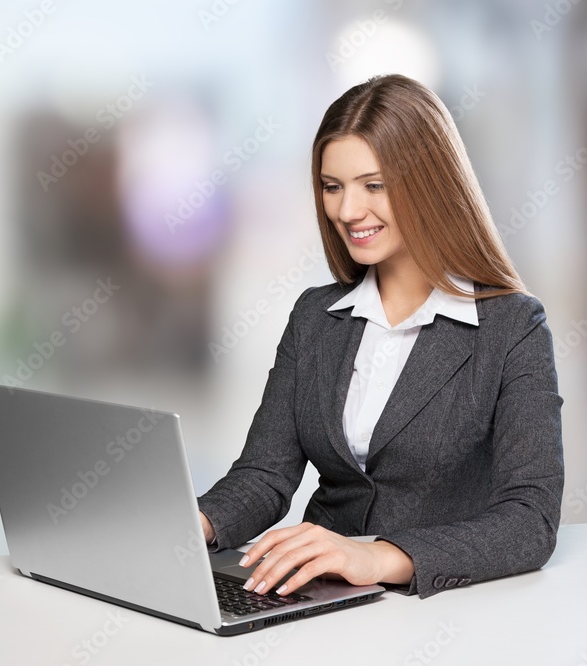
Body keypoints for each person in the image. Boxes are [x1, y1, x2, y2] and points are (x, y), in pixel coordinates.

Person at [196, 73, 564, 599]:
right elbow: (265, 474)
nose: (348, 211)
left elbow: (530, 521)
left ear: (430, 183)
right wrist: (190, 526)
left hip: (443, 603)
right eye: (332, 187)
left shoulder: (512, 328)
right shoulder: (315, 316)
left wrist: (375, 556)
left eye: (375, 185)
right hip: (317, 593)